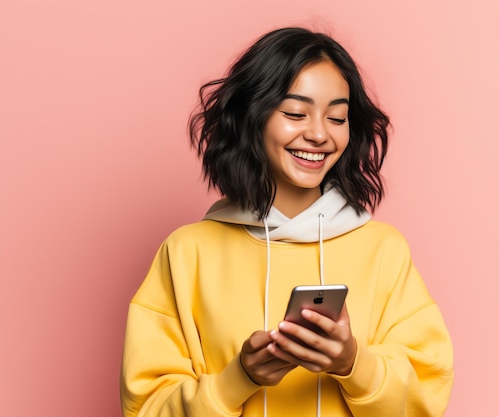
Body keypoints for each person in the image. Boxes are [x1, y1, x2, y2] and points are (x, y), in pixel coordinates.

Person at [120, 27, 454, 417]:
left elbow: (426, 398)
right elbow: (147, 408)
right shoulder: (186, 252)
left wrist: (352, 365)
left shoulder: (384, 250)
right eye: (296, 113)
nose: (318, 134)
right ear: (252, 117)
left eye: (337, 117)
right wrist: (239, 377)